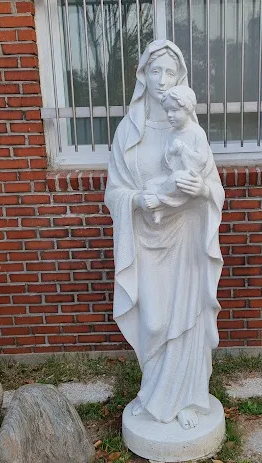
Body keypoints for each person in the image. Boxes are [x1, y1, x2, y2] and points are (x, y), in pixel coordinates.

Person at [104, 39, 224, 430]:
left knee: (185, 319)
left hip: (186, 236)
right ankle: (154, 393)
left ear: (180, 78)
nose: (162, 80)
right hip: (145, 236)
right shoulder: (128, 131)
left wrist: (201, 190)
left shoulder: (192, 130)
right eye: (155, 71)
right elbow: (114, 192)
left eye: (170, 72)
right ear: (143, 75)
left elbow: (214, 188)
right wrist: (137, 199)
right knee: (154, 323)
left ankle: (185, 399)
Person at [143, 85, 211, 225]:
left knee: (178, 179)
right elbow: (167, 162)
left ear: (188, 109)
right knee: (150, 184)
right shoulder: (173, 133)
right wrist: (170, 154)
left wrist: (183, 150)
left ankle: (159, 201)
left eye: (174, 110)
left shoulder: (197, 133)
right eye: (167, 110)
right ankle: (162, 210)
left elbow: (202, 160)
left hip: (188, 176)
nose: (169, 115)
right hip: (173, 175)